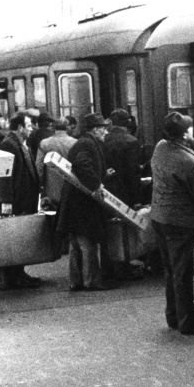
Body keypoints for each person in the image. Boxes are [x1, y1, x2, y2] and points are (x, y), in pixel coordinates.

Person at [151, 111, 194, 335]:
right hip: (181, 223)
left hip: (160, 218)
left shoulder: (161, 147)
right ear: (185, 134)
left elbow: (179, 156)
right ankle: (189, 322)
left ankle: (173, 316)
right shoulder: (190, 163)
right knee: (184, 273)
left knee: (171, 271)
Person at [57, 112, 116, 292]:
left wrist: (102, 174)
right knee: (89, 242)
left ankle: (76, 281)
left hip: (75, 201)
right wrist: (96, 184)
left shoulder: (84, 142)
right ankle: (92, 281)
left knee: (76, 244)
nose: (106, 133)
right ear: (96, 130)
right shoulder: (88, 144)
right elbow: (83, 165)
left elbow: (83, 167)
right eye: (104, 129)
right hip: (82, 203)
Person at [0, 112, 41, 289]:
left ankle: (19, 273)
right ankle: (12, 277)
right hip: (16, 200)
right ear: (20, 128)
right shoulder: (8, 145)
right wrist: (6, 202)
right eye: (29, 126)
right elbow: (3, 176)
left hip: (25, 199)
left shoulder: (21, 143)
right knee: (13, 238)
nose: (31, 129)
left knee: (20, 238)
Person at [102, 108, 143, 280]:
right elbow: (133, 173)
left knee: (110, 228)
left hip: (107, 188)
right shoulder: (131, 141)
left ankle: (111, 264)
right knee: (125, 228)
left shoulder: (104, 139)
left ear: (111, 121)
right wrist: (137, 198)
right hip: (124, 190)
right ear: (128, 122)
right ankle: (125, 264)